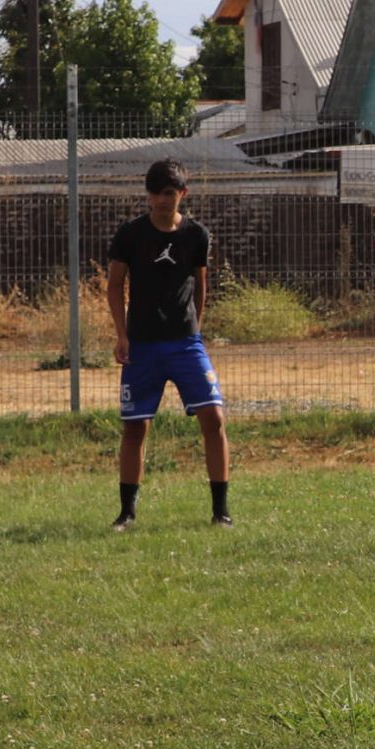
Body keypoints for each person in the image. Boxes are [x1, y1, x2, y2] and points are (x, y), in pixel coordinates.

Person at [105, 158, 231, 531]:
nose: (160, 200)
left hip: (185, 344)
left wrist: (196, 328)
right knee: (135, 427)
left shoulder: (196, 235)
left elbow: (200, 283)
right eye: (154, 193)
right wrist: (122, 335)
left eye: (168, 193)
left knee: (214, 418)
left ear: (182, 194)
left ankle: (221, 512)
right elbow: (115, 285)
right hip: (142, 345)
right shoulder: (130, 234)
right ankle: (127, 514)